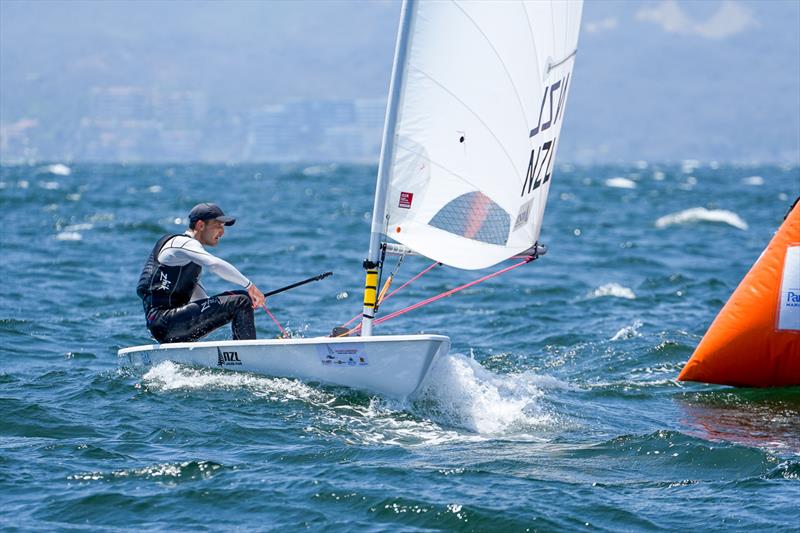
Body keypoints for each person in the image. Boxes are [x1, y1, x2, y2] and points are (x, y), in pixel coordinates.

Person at [136, 203, 266, 343]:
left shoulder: (190, 259)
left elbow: (202, 303)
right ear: (200, 225)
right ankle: (246, 355)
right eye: (218, 226)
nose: (222, 232)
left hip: (167, 326)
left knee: (239, 300)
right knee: (241, 300)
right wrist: (249, 286)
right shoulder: (181, 243)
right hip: (165, 321)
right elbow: (214, 264)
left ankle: (239, 353)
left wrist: (230, 312)